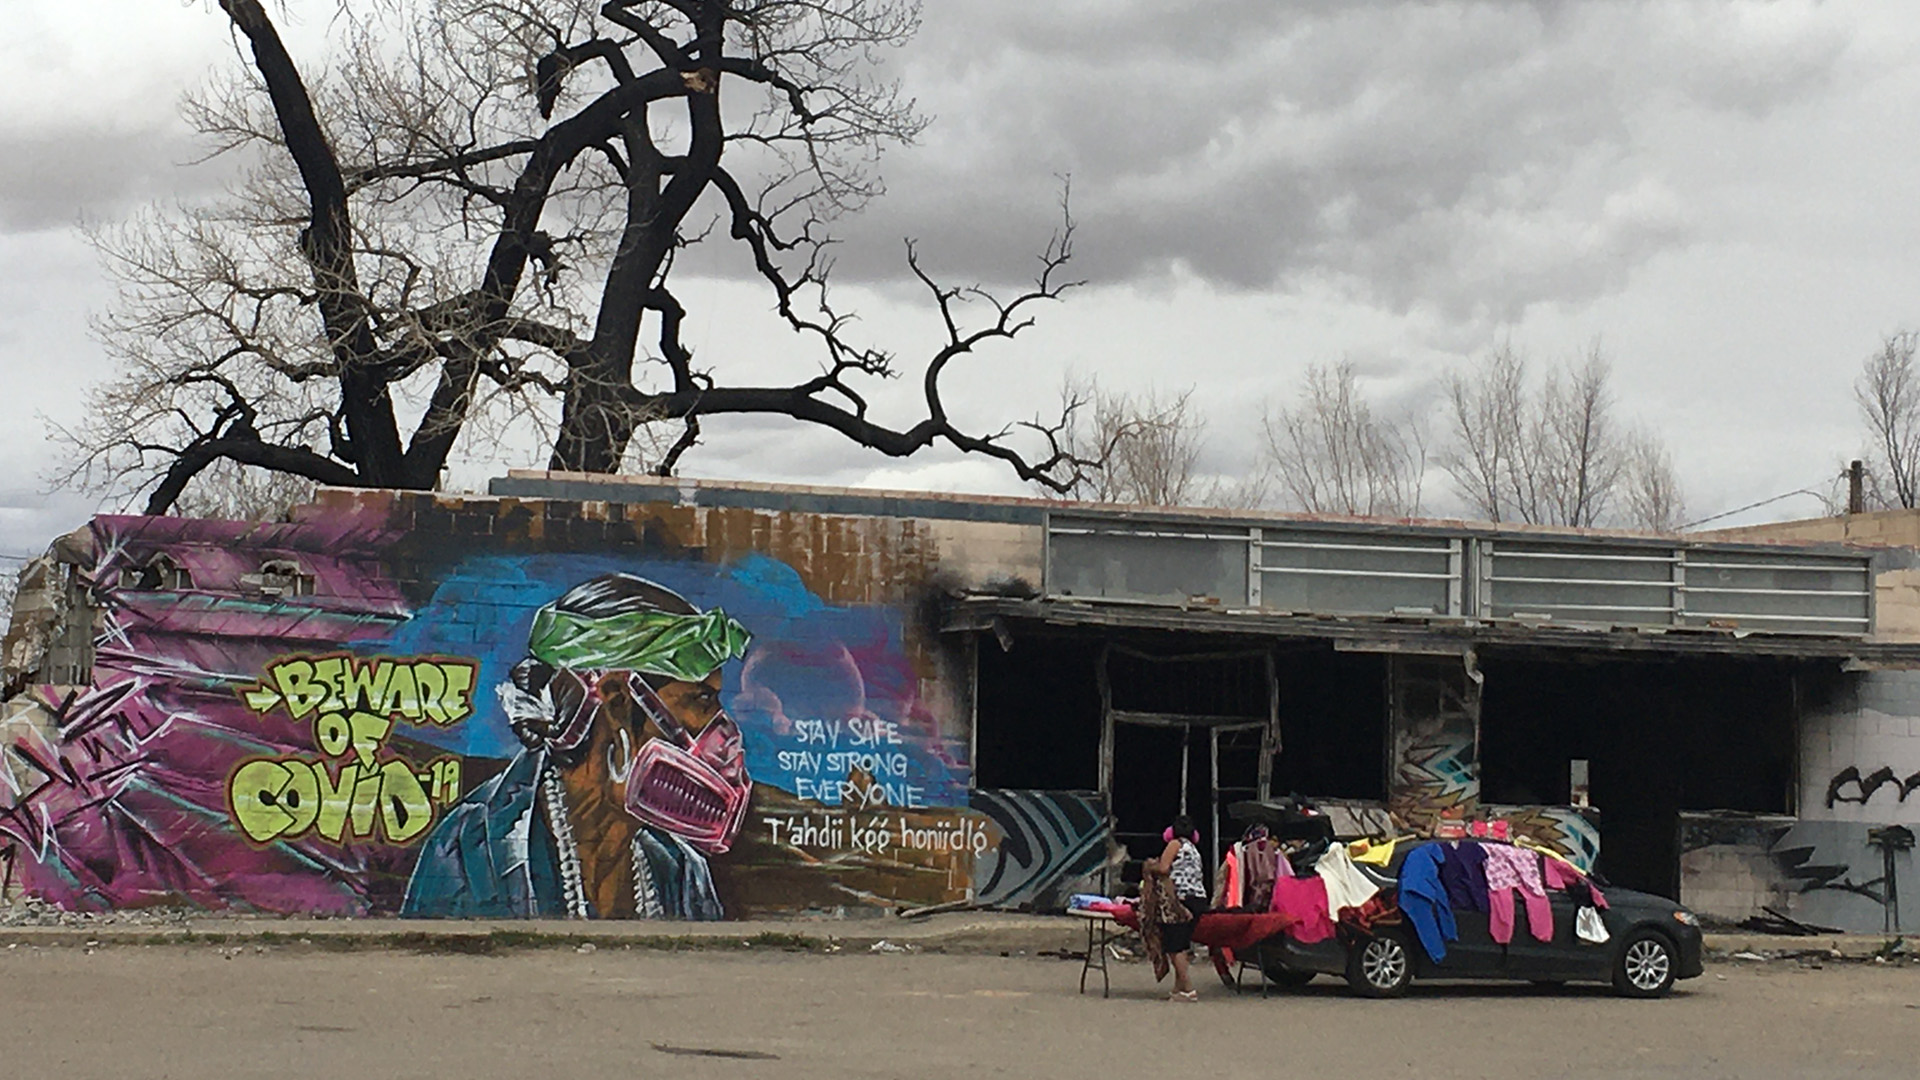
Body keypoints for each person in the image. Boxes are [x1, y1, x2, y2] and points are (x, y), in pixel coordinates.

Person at [403, 573, 753, 919]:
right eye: (702, 699)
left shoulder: (679, 869)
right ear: (617, 702)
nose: (723, 733)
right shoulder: (473, 851)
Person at [1146, 813, 1210, 1001]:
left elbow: (1164, 869)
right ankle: (1178, 988)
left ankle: (1188, 988)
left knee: (1174, 946)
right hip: (1198, 899)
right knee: (1181, 943)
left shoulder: (1174, 845)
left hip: (1180, 900)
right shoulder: (1194, 850)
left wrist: (1151, 866)